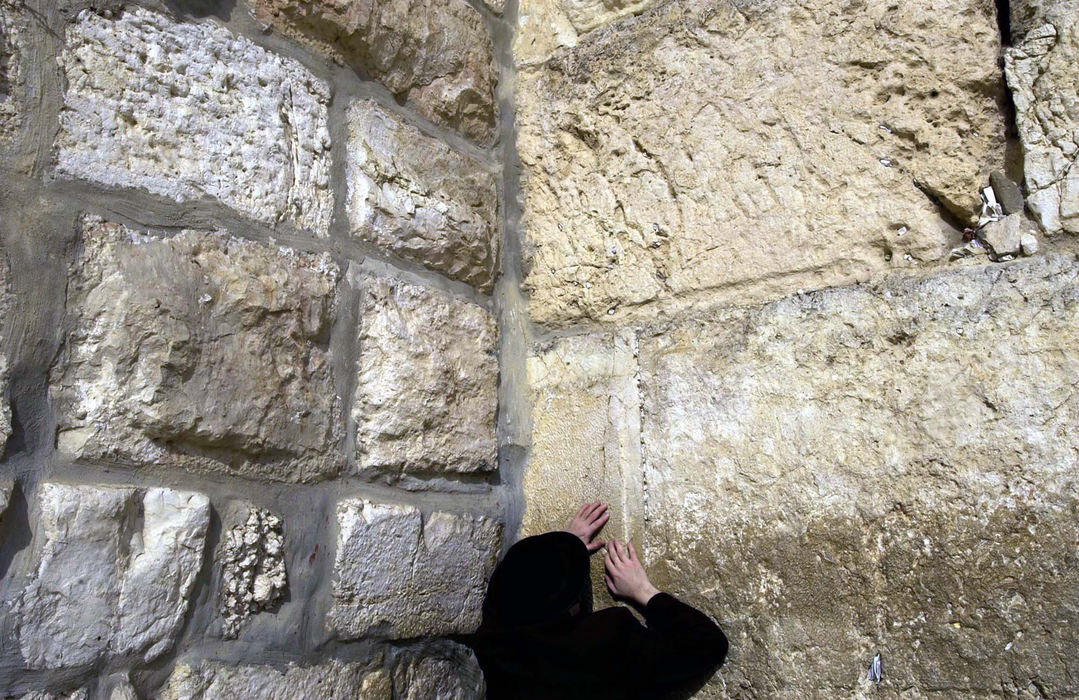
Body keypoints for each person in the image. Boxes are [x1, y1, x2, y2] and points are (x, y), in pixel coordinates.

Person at [462, 501, 728, 699]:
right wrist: (644, 591)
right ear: (573, 607)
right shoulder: (605, 644)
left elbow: (522, 586)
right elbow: (707, 644)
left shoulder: (493, 646)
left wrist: (560, 550)